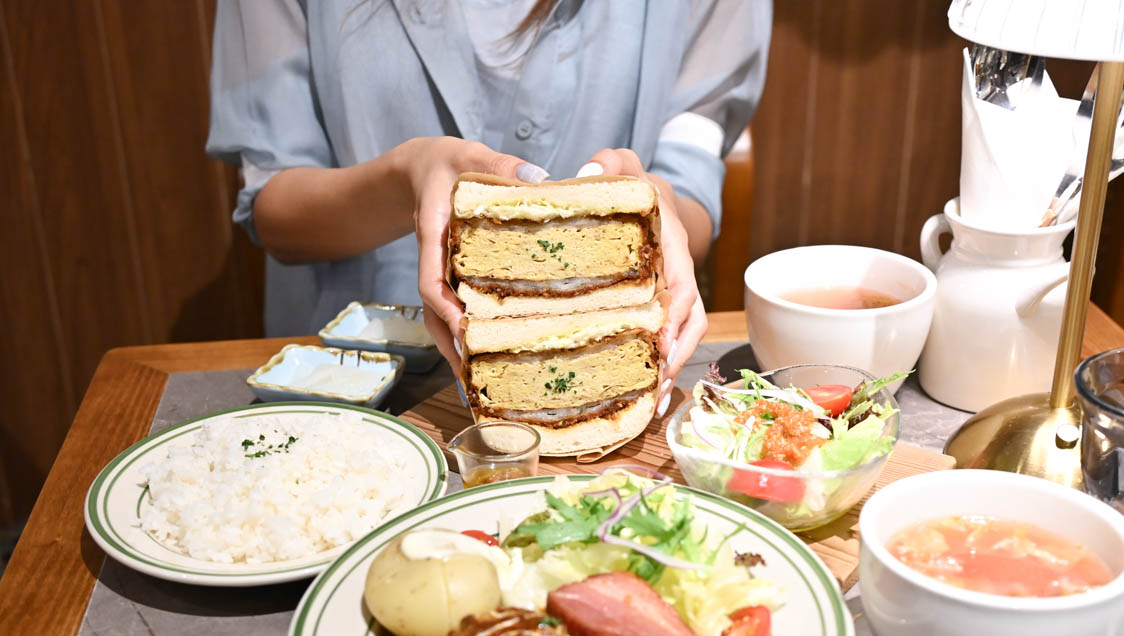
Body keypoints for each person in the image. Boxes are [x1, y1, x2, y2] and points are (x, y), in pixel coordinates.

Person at [207, 0, 770, 413]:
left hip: (611, 377)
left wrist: (656, 203)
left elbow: (688, 186)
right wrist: (402, 179)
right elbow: (274, 210)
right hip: (355, 390)